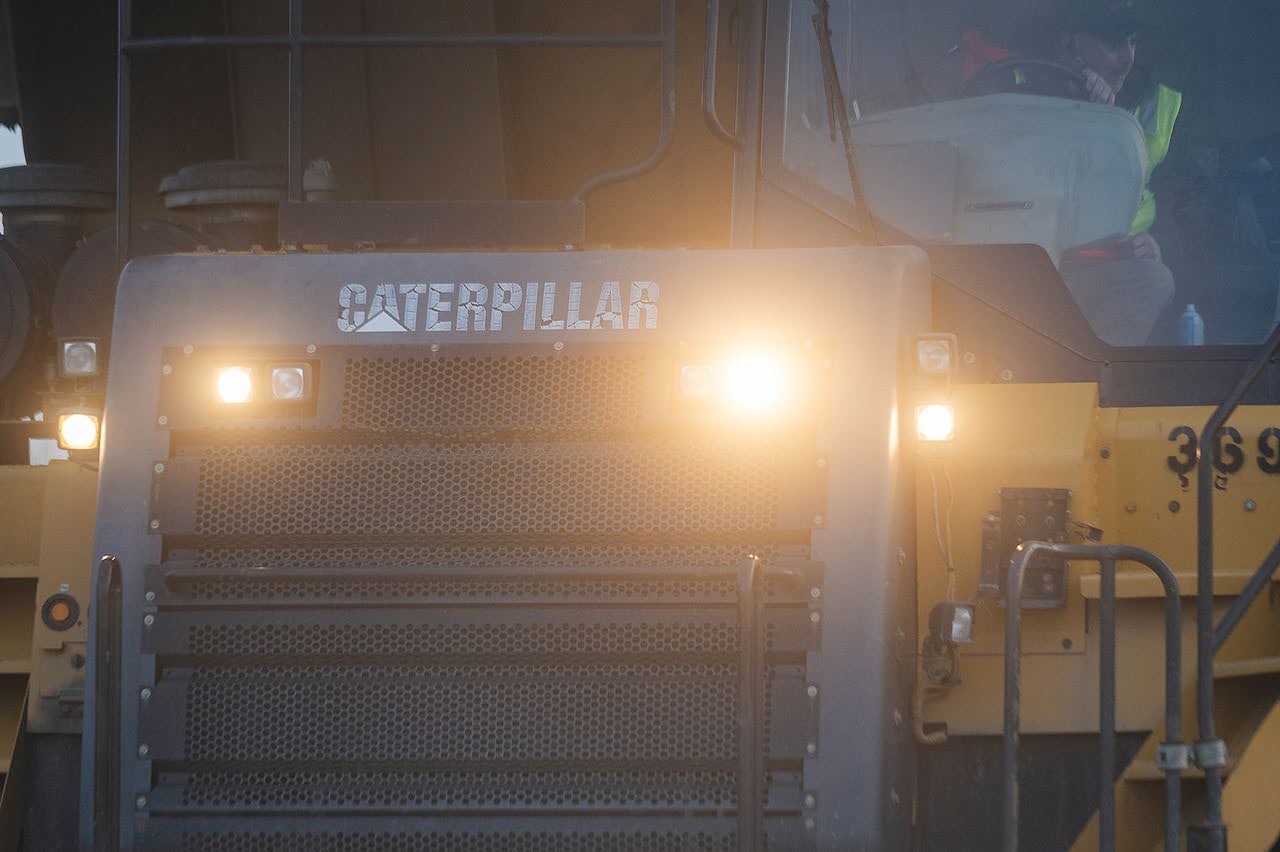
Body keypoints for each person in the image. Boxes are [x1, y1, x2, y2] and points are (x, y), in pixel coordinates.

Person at [967, 1, 1182, 345]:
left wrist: (1158, 244)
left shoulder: (1154, 101)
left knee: (1155, 280)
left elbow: (1182, 203)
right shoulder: (1007, 85)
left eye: (1133, 42)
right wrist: (1070, 103)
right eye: (1114, 44)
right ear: (1070, 45)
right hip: (1009, 266)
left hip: (1101, 271)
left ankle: (1093, 389)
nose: (1128, 57)